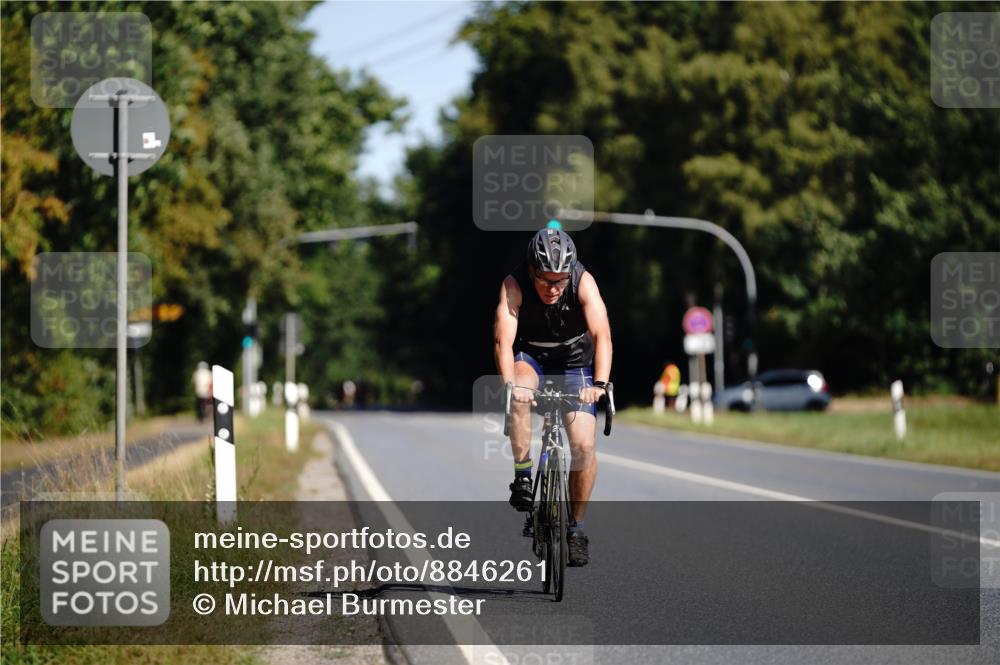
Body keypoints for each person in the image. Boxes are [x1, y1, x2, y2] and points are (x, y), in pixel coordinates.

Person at [493, 222, 613, 567]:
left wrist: (600, 385)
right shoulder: (514, 284)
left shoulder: (582, 281)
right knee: (518, 393)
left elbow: (602, 336)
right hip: (532, 357)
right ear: (532, 270)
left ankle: (576, 529)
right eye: (544, 279)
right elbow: (503, 341)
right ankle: (523, 476)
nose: (552, 287)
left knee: (584, 446)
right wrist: (510, 385)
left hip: (575, 363)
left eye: (559, 280)